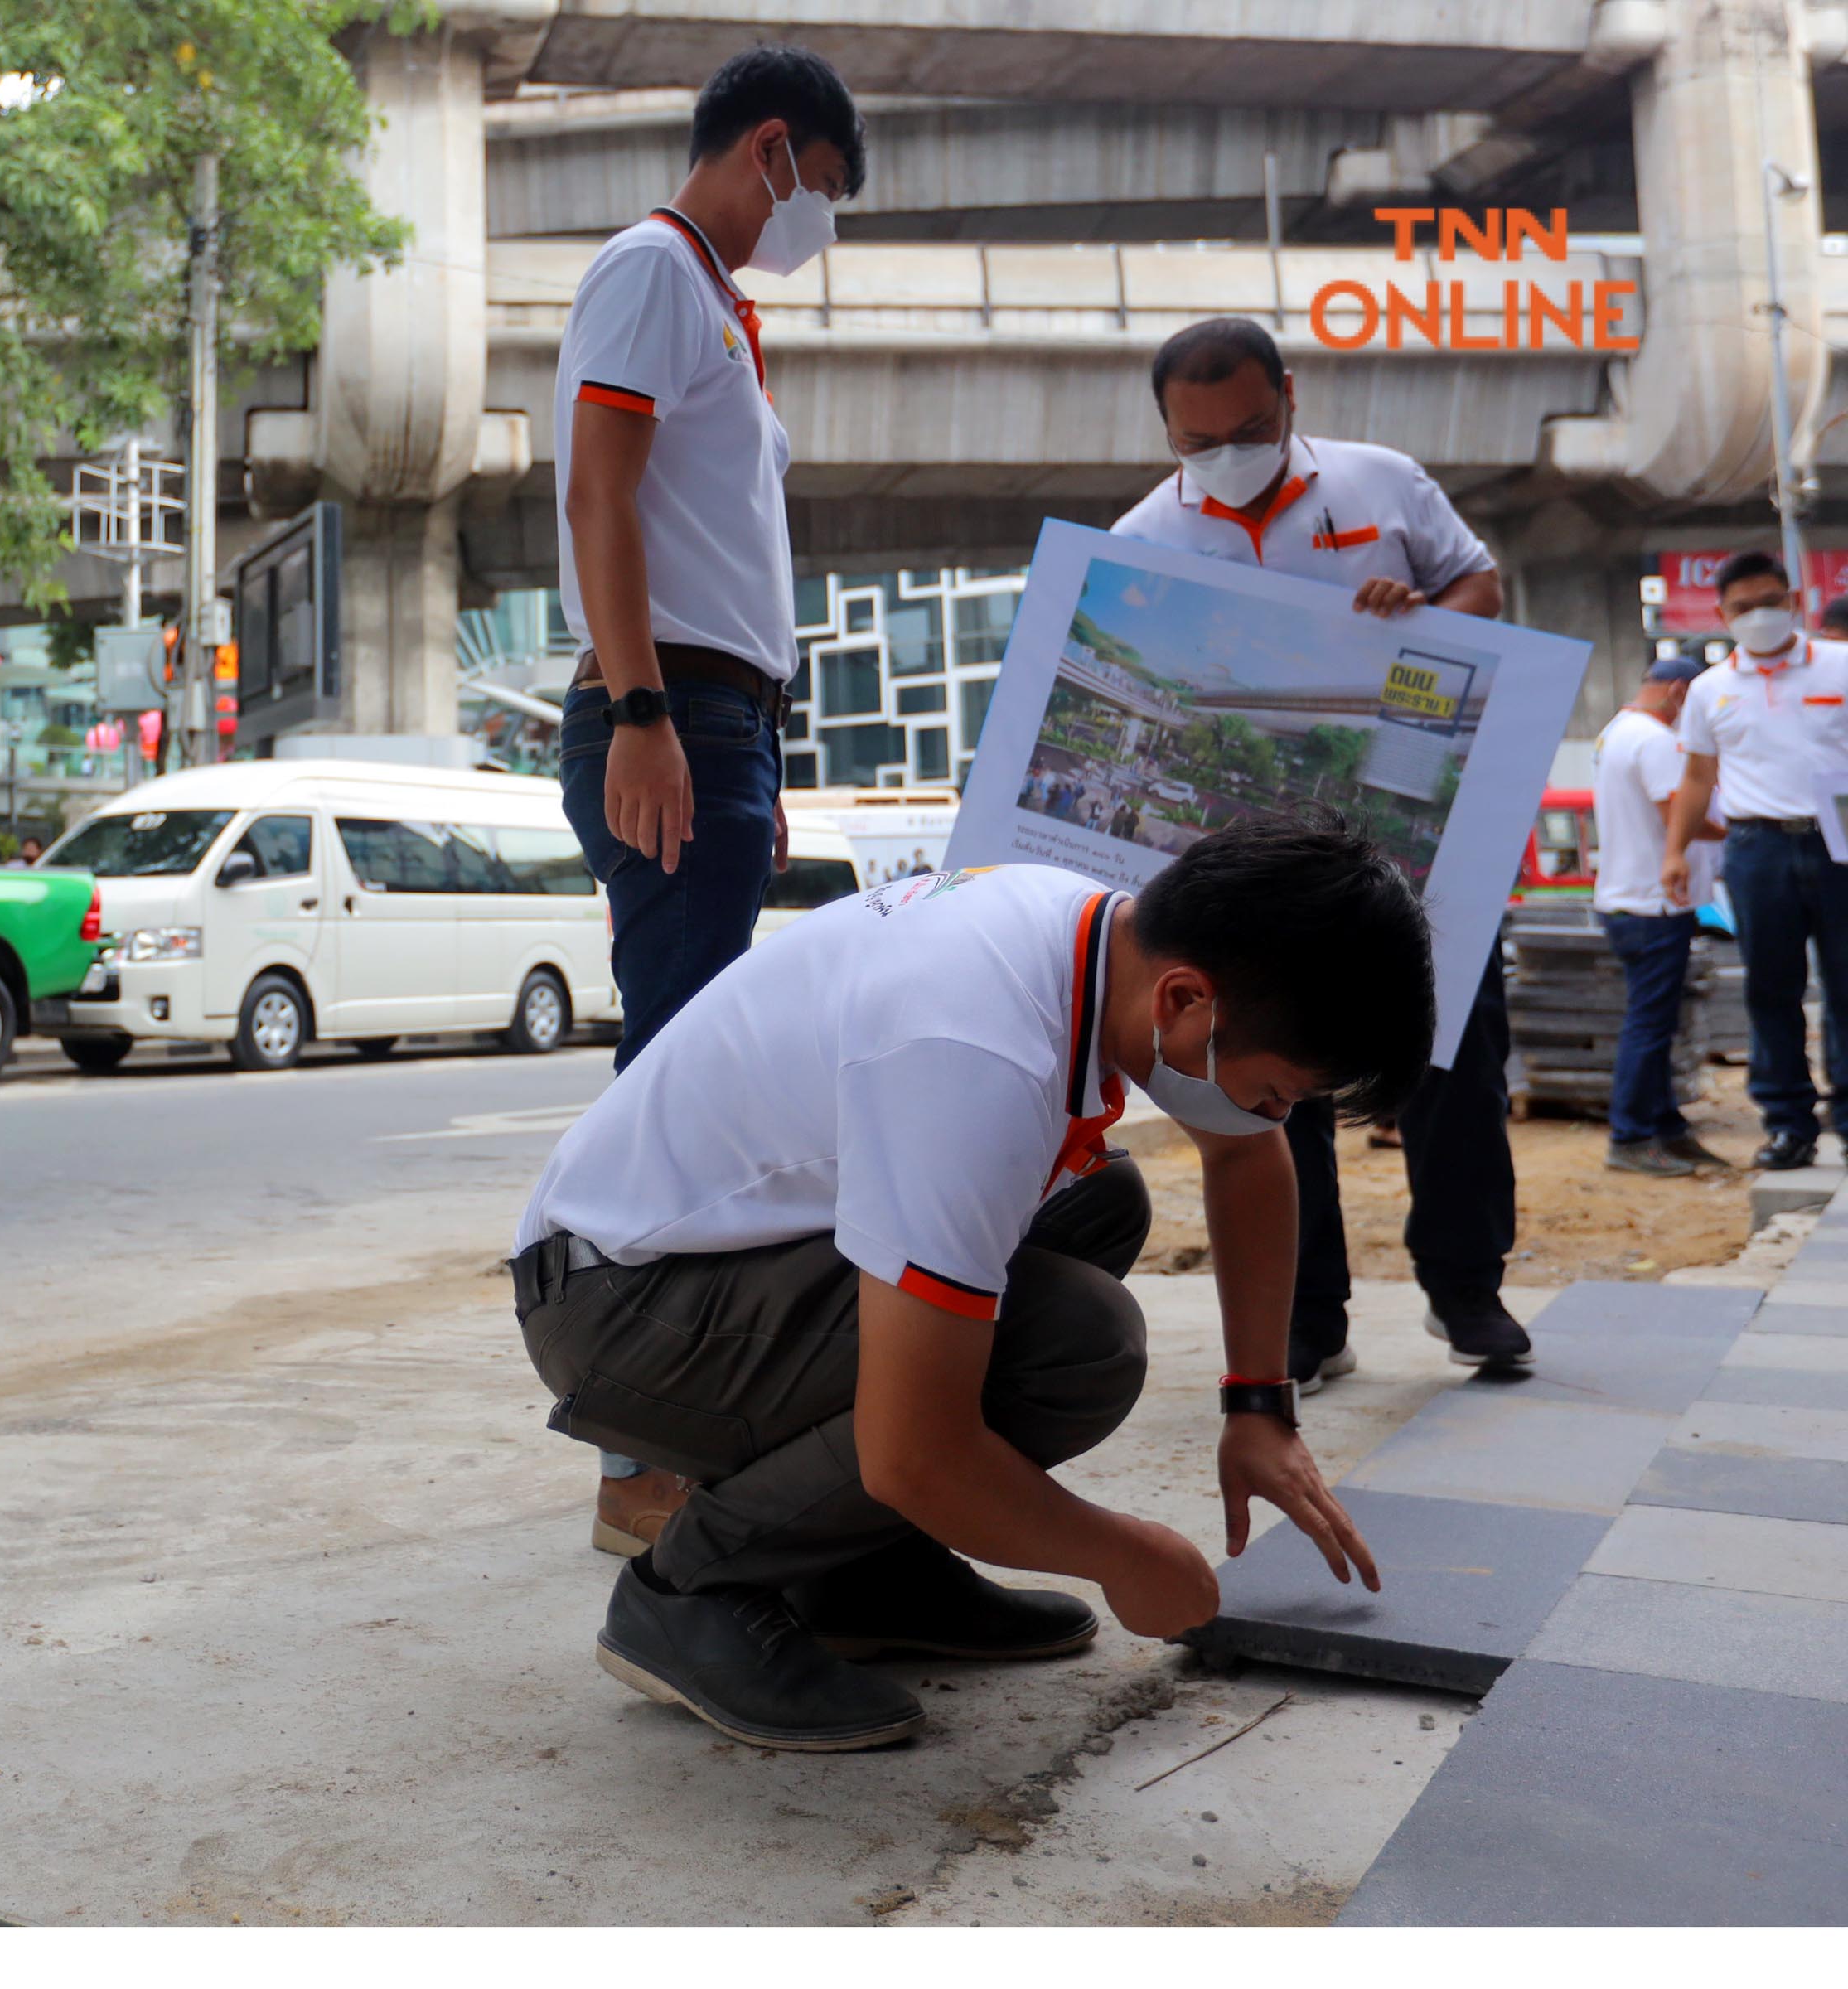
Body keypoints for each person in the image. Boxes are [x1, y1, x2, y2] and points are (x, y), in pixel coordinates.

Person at [512, 817, 1424, 1749]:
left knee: (1100, 1200)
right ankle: (688, 1590)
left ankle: (860, 1568)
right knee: (1078, 1344)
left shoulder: (1094, 935)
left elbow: (1247, 1154)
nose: (1269, 1116)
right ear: (1186, 999)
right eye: (1276, 1090)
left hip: (690, 1253)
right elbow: (916, 1452)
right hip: (617, 1309)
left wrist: (1260, 1408)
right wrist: (1126, 1556)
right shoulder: (975, 1055)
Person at [550, 43, 864, 1557]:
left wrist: (755, 746)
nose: (818, 229)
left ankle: (658, 1435)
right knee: (671, 1089)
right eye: (825, 194)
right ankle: (634, 1459)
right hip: (669, 705)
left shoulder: (721, 312)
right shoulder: (656, 269)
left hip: (720, 717)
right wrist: (644, 712)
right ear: (774, 150)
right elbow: (596, 493)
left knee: (689, 1074)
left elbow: (716, 545)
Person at [1110, 317, 1531, 1388]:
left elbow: (1484, 588)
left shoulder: (1381, 482)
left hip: (1412, 838)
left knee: (1455, 1061)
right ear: (1167, 434)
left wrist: (1426, 618)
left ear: (1290, 398)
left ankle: (1467, 1289)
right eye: (1197, 442)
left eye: (1248, 428)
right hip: (1254, 881)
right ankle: (1309, 1322)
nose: (1226, 456)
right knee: (1266, 1083)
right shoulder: (1143, 540)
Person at [1663, 551, 1848, 1169]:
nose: (1759, 616)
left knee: (1847, 985)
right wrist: (1675, 851)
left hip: (1838, 845)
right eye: (1744, 608)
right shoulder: (1710, 691)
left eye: (1770, 601)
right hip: (1756, 848)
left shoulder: (1840, 665)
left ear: (1793, 601)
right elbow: (1695, 776)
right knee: (1771, 990)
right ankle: (1789, 1125)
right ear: (1723, 615)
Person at [1595, 656, 1730, 1177]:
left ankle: (1667, 1126)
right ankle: (1629, 1136)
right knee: (1649, 1026)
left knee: (1655, 1022)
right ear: (1678, 691)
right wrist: (1741, 822)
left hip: (1628, 899)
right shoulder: (1655, 740)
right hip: (1654, 902)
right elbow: (1680, 813)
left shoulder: (1616, 731)